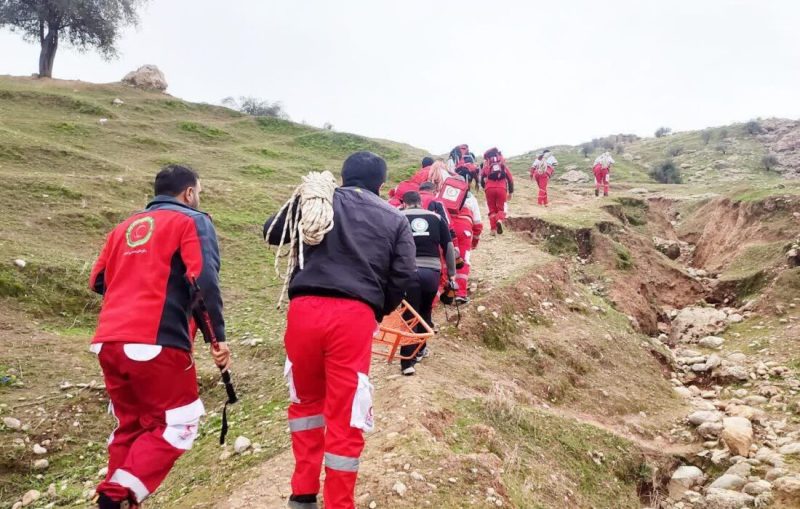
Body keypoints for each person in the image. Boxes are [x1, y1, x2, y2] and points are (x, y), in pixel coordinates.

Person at [263, 151, 416, 509]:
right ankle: (339, 503)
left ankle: (302, 495)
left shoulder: (317, 200)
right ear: (381, 184)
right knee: (347, 412)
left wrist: (308, 195)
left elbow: (271, 233)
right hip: (355, 314)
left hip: (303, 311)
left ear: (343, 177)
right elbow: (404, 273)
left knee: (305, 403)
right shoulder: (394, 218)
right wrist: (378, 310)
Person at [88, 165, 230, 509]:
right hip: (157, 340)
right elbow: (204, 281)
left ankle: (116, 497)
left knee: (132, 426)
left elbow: (98, 281)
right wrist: (217, 336)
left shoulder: (123, 228)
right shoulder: (192, 221)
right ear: (190, 193)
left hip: (108, 341)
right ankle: (117, 496)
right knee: (180, 423)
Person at [399, 191, 456, 375]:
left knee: (410, 314)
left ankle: (408, 362)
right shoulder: (437, 218)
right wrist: (452, 274)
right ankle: (421, 348)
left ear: (404, 203)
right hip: (432, 272)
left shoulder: (397, 216)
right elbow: (448, 247)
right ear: (421, 202)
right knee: (425, 310)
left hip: (408, 271)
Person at [448, 177, 483, 304]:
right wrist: (475, 241)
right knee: (463, 261)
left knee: (444, 260)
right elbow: (478, 223)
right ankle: (460, 294)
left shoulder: (442, 195)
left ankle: (444, 293)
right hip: (464, 230)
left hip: (447, 228)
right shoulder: (470, 198)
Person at [480, 147, 514, 234]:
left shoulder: (487, 166)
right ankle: (499, 220)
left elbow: (481, 180)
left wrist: (485, 187)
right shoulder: (502, 166)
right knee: (501, 208)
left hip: (489, 189)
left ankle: (493, 230)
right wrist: (510, 192)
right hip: (501, 188)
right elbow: (510, 179)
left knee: (491, 209)